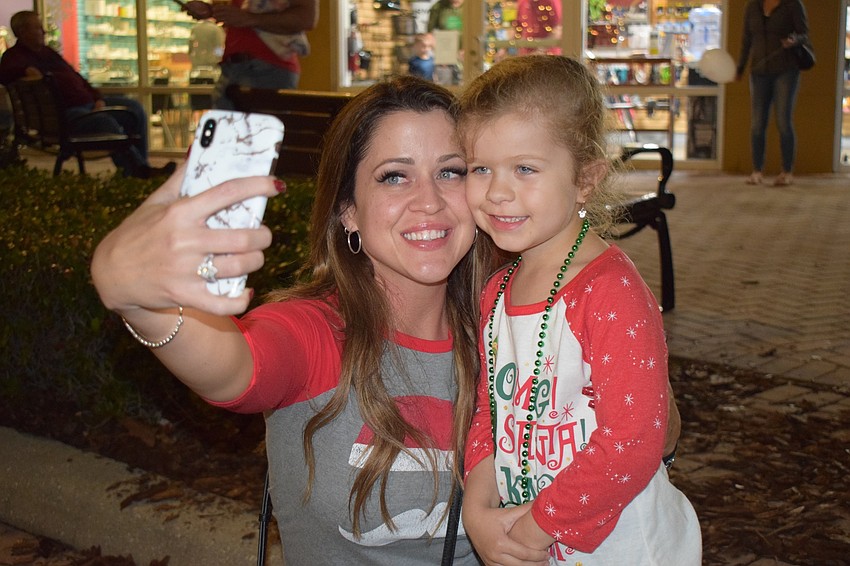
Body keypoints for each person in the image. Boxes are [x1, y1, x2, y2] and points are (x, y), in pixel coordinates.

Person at [90, 75, 513, 564]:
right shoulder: (312, 332)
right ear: (348, 211)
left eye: (451, 172)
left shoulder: (510, 326)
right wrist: (137, 298)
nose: (429, 201)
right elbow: (234, 368)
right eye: (394, 176)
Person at [457, 55, 701, 565]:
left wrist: (534, 529)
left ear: (585, 179)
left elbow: (634, 440)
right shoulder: (498, 291)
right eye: (481, 168)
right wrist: (478, 512)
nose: (498, 192)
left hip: (624, 549)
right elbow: (489, 412)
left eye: (525, 168)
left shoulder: (610, 290)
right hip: (532, 537)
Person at [0, 11, 176, 179]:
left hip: (86, 105)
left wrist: (97, 98)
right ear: (22, 31)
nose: (43, 31)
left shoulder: (47, 53)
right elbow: (5, 72)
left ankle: (138, 166)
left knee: (134, 108)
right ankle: (139, 170)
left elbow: (77, 78)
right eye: (38, 27)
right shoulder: (15, 57)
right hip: (68, 116)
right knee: (105, 122)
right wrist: (24, 69)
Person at [181, 0, 318, 109]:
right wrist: (212, 10)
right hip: (234, 67)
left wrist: (248, 18)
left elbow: (306, 17)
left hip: (267, 68)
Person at [735, 0, 810, 187]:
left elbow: (804, 34)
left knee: (783, 121)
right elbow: (746, 39)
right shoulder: (752, 7)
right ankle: (757, 171)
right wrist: (740, 67)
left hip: (786, 69)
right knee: (757, 123)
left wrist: (794, 40)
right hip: (759, 71)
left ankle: (786, 171)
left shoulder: (792, 5)